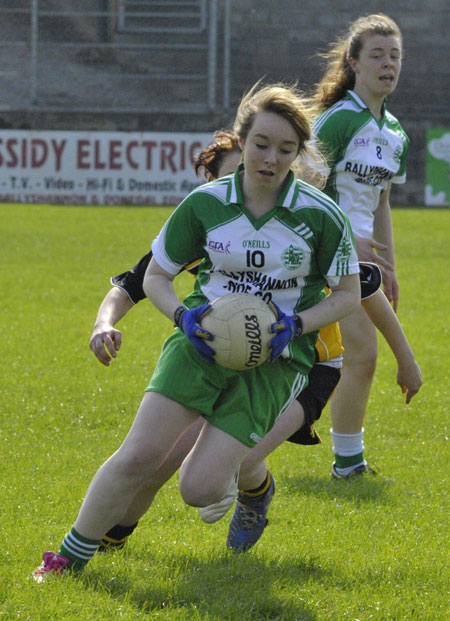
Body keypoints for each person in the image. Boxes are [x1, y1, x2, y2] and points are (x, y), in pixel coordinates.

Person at [33, 81, 362, 580]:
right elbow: (156, 276)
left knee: (197, 489)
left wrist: (294, 324)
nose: (271, 158)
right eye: (261, 144)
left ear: (299, 153)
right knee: (139, 453)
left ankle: (243, 484)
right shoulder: (205, 204)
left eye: (285, 149)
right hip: (199, 343)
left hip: (273, 361)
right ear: (242, 138)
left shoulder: (321, 216)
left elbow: (348, 295)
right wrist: (183, 318)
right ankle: (64, 560)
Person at [83, 130, 421, 554]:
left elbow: (364, 289)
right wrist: (103, 323)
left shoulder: (303, 227)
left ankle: (255, 494)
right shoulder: (208, 226)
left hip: (305, 364)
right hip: (228, 357)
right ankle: (113, 537)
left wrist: (405, 361)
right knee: (161, 456)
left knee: (229, 460)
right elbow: (134, 283)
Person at [311, 14, 411, 477]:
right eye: (377, 55)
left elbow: (382, 202)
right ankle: (348, 464)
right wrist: (348, 239)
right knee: (363, 355)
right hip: (324, 254)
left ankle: (345, 459)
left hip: (362, 263)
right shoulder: (338, 121)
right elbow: (307, 192)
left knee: (351, 357)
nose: (388, 64)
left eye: (395, 55)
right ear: (354, 63)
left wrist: (390, 267)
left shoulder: (395, 134)